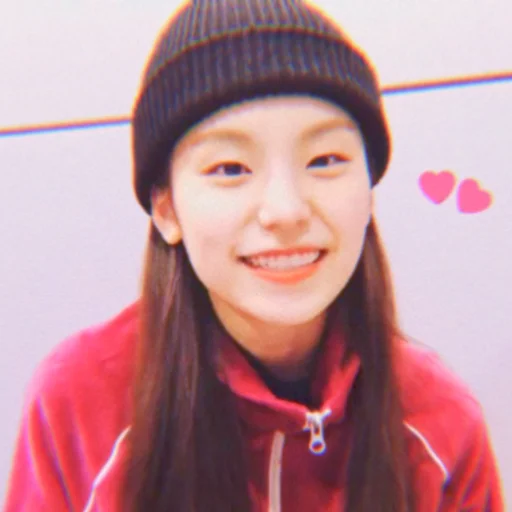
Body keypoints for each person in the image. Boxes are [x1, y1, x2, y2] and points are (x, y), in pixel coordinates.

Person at [3, 0, 504, 511]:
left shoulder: (439, 421)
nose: (285, 211)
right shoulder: (79, 403)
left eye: (325, 160)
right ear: (167, 209)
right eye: (230, 168)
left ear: (369, 191)